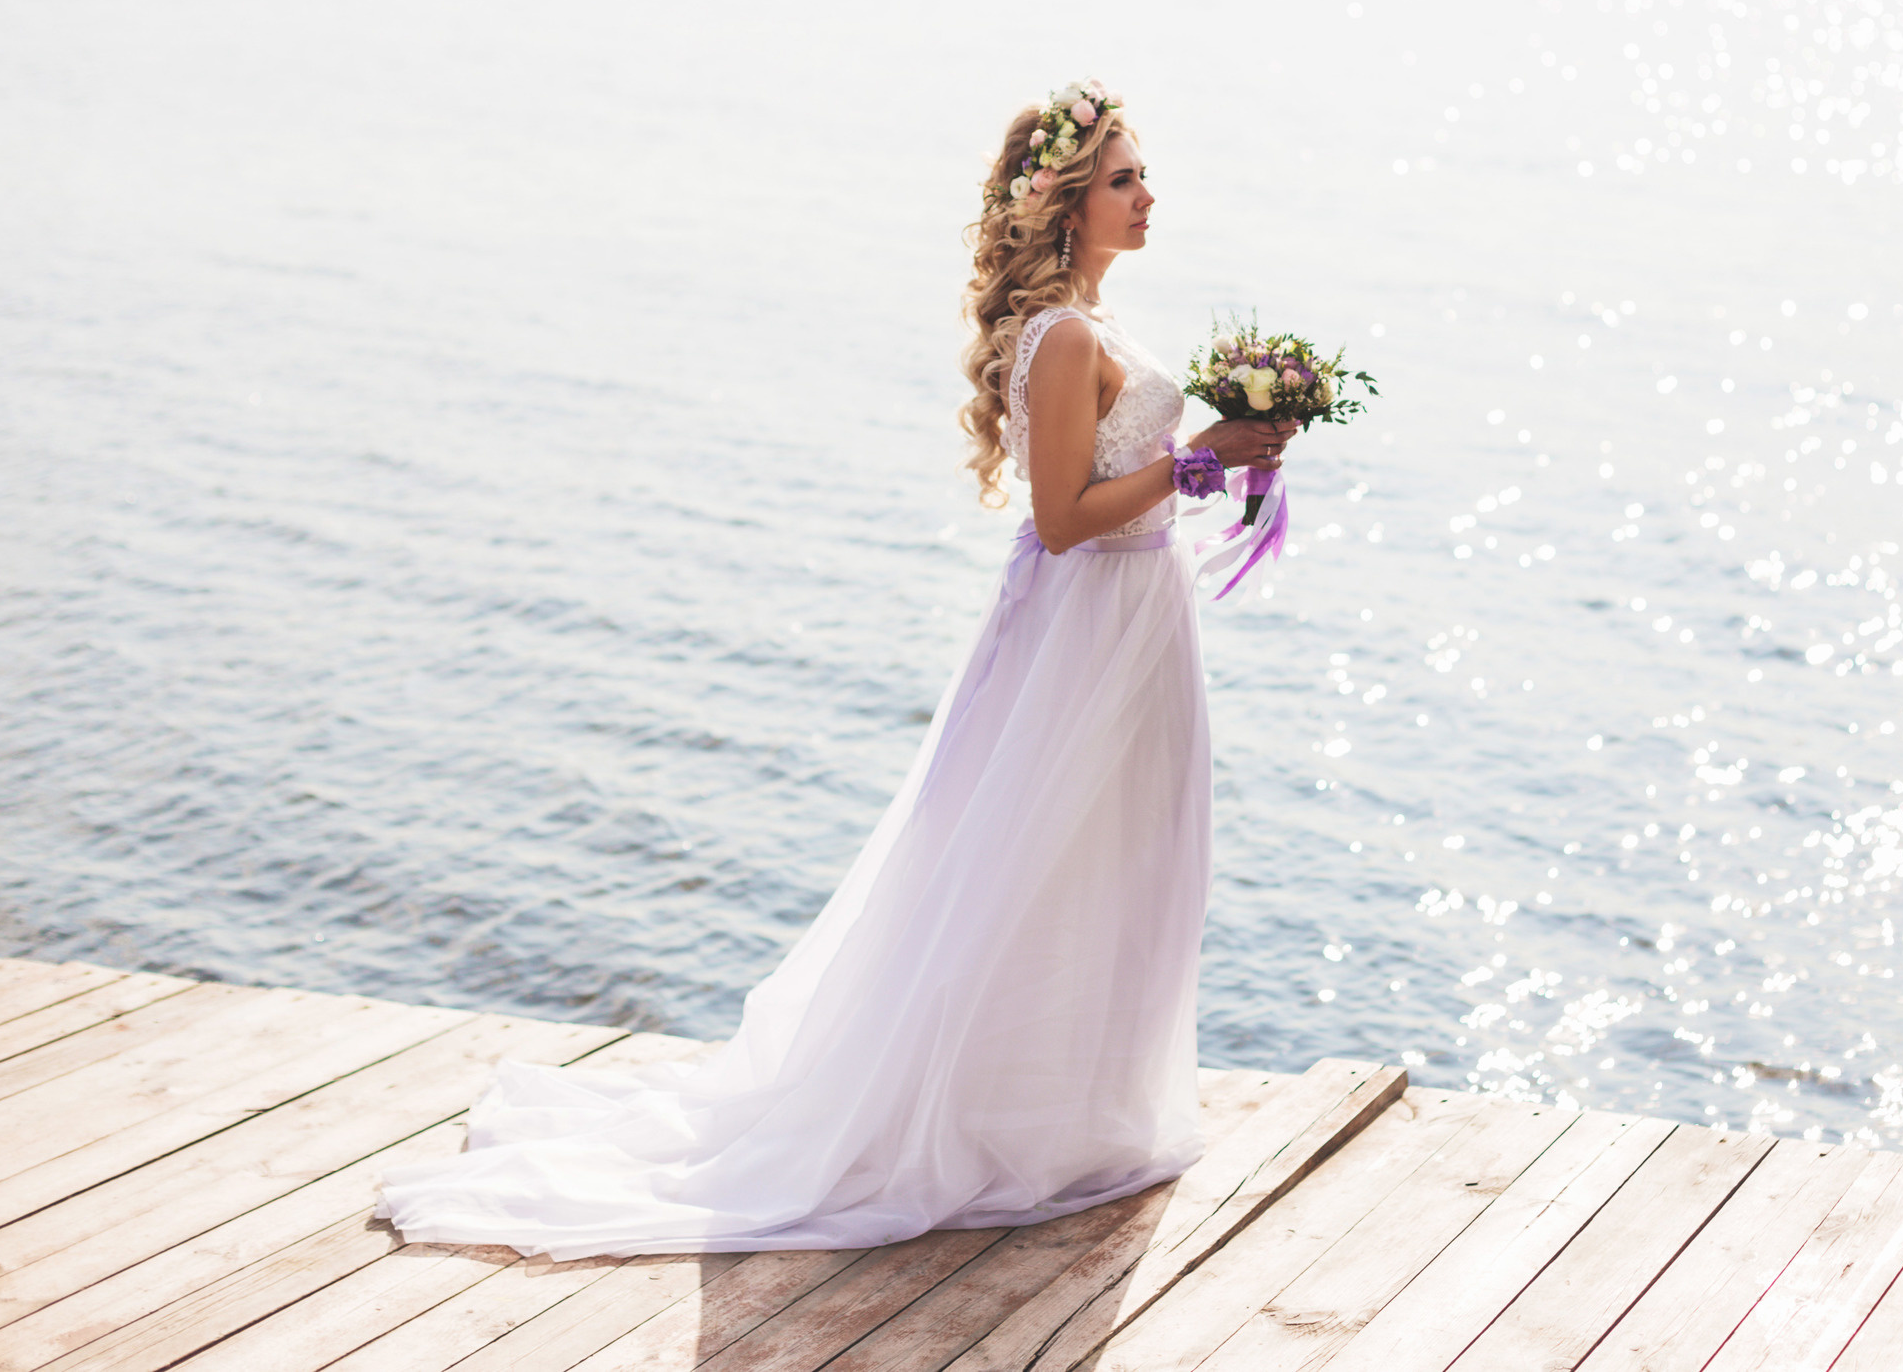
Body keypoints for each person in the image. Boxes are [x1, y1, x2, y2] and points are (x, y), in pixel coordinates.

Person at [373, 81, 1294, 1257]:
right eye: (1121, 178)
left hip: (1131, 612)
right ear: (1062, 202)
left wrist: (1225, 460)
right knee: (1035, 857)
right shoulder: (1063, 338)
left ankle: (1076, 1109)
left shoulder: (1093, 327)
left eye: (1139, 174)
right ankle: (1007, 1121)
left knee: (1120, 852)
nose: (1146, 195)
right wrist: (1197, 462)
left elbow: (1116, 487)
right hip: (1090, 615)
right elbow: (1065, 516)